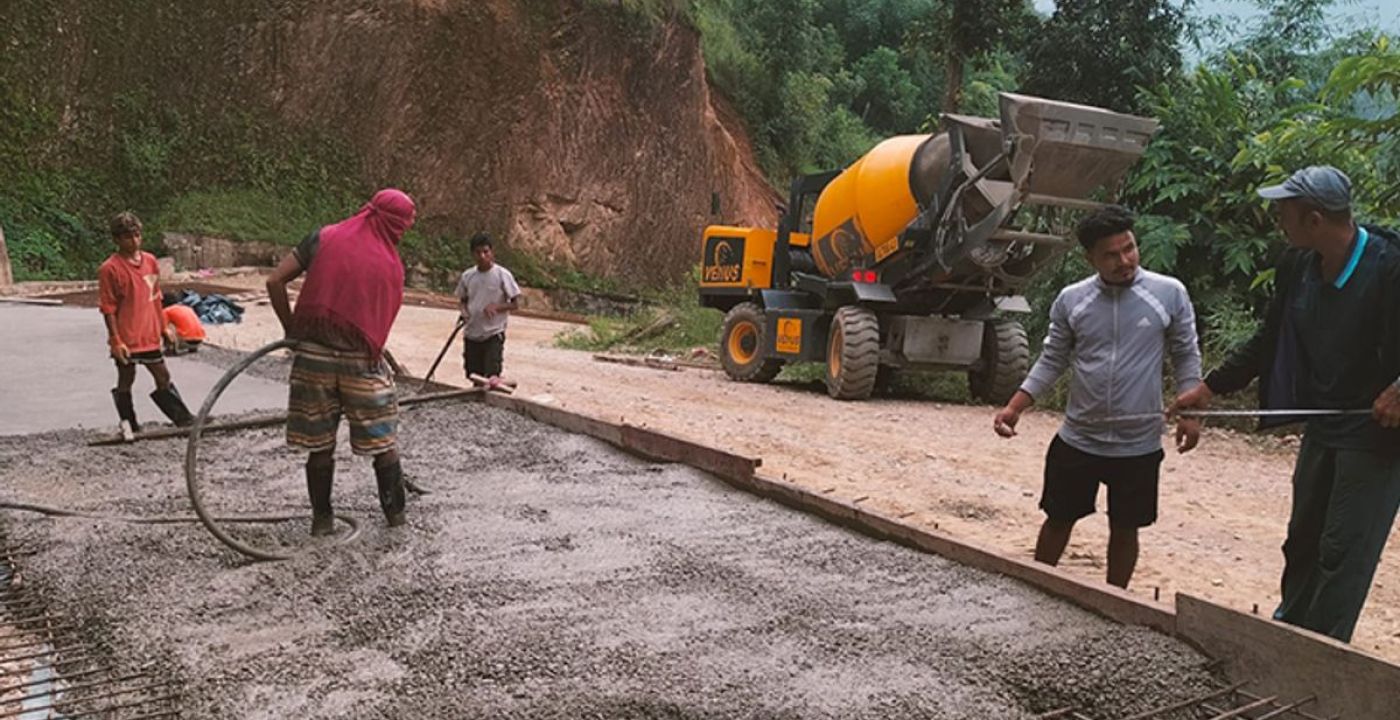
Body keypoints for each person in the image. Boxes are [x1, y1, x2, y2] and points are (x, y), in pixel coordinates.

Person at [1174, 166, 1400, 642]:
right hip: (1324, 421)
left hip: (1375, 432)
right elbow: (1270, 337)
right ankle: (1289, 634)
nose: (1278, 220)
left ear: (1314, 219)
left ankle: (1322, 651)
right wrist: (1210, 388)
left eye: (1284, 212)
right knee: (1303, 539)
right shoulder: (1298, 264)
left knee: (1343, 547)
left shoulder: (1390, 265)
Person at [994, 205, 1203, 589]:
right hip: (1079, 438)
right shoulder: (1072, 300)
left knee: (1125, 528)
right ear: (1090, 258)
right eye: (1111, 255)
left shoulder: (1169, 293)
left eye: (1129, 248)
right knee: (1058, 519)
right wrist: (1015, 406)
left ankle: (1114, 602)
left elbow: (1186, 354)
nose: (1125, 261)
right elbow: (1053, 358)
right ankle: (1037, 590)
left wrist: (1191, 412)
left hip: (1138, 443)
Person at [265, 189, 416, 536]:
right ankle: (396, 522)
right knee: (384, 444)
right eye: (403, 225)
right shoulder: (390, 264)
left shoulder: (324, 237)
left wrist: (292, 330)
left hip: (312, 359)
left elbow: (274, 281)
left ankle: (322, 522)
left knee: (320, 445)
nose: (403, 232)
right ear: (391, 222)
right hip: (360, 363)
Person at [98, 211, 193, 438]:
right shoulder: (110, 269)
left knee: (162, 375)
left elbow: (156, 296)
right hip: (127, 335)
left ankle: (182, 418)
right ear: (117, 239)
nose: (134, 241)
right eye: (128, 237)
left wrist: (163, 326)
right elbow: (108, 308)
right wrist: (115, 339)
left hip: (149, 332)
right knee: (126, 378)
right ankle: (129, 422)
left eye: (137, 235)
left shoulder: (150, 261)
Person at [454, 233, 521, 387]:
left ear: (492, 252)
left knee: (492, 376)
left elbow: (515, 304)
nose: (482, 256)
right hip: (472, 333)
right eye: (478, 252)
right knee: (473, 375)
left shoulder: (502, 275)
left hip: (493, 333)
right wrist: (464, 312)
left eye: (486, 252)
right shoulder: (468, 276)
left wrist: (496, 307)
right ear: (473, 254)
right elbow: (463, 300)